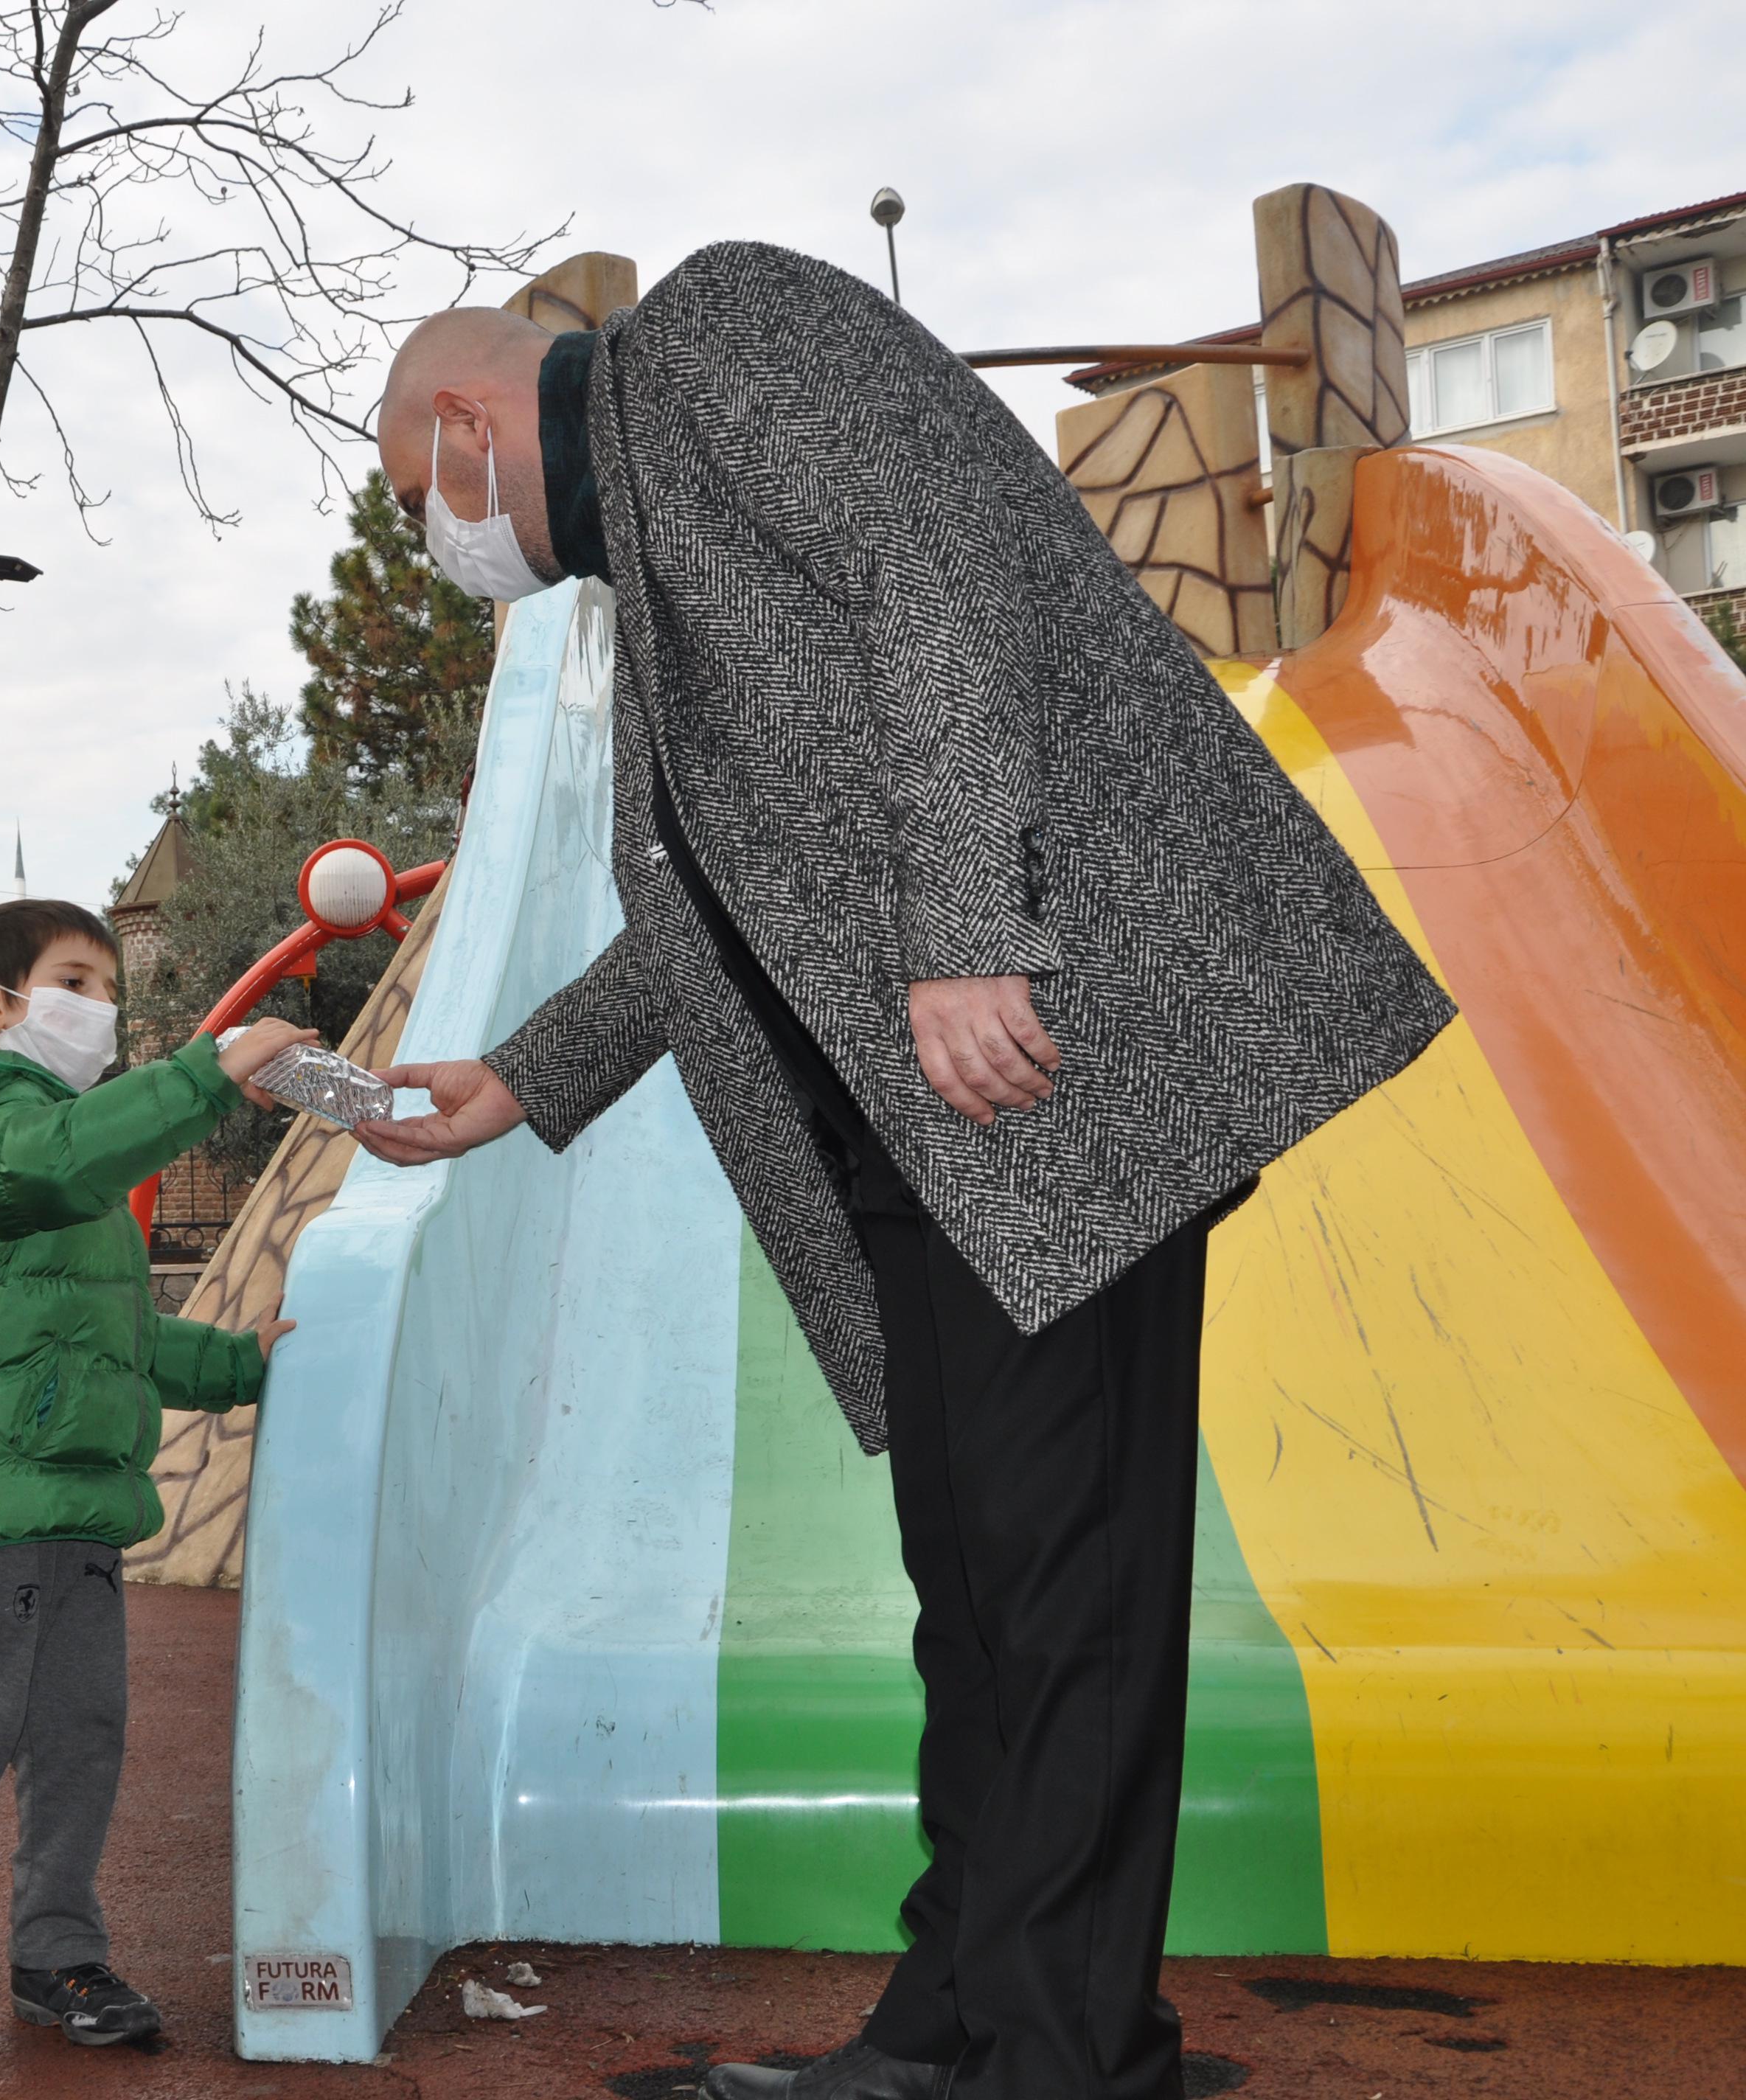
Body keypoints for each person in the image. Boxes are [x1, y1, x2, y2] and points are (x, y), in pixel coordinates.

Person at [353, 250, 1453, 2100]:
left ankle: (1061, 2057)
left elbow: (938, 582)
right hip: (934, 1115)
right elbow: (729, 902)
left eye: (413, 500)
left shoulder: (720, 330)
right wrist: (517, 1079)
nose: (430, 542)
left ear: (468, 421)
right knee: (985, 1591)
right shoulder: (657, 580)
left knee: (1060, 1587)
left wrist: (961, 930)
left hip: (1045, 1067)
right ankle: (957, 2024)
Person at [0, 899, 304, 2073]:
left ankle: (56, 1950)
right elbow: (62, 1156)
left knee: (81, 1735)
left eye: (109, 989)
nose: (102, 1009)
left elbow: (118, 1339)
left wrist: (249, 1361)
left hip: (75, 1504)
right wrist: (212, 1069)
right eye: (75, 983)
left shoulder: (70, 1166)